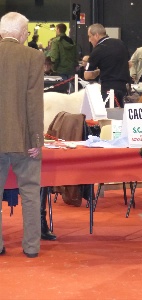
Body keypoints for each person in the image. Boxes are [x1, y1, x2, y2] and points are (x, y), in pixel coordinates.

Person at [0, 12, 45, 257]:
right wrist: (37, 140)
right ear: (20, 33)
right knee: (29, 193)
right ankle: (31, 247)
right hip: (23, 140)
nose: (28, 34)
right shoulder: (33, 56)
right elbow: (33, 103)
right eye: (27, 31)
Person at [84, 24, 130, 108]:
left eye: (90, 36)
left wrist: (99, 71)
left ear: (97, 35)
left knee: (109, 117)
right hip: (124, 88)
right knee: (122, 116)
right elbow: (130, 64)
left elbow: (87, 75)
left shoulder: (97, 50)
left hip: (108, 90)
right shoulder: (121, 43)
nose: (89, 40)